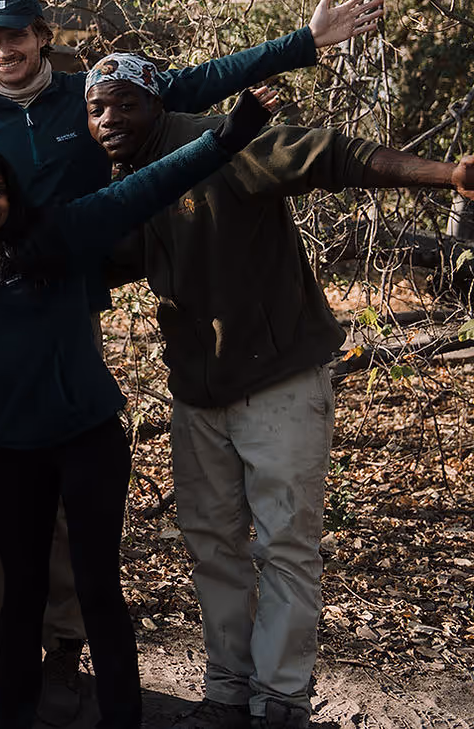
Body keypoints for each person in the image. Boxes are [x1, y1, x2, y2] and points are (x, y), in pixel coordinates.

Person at [0, 0, 385, 709]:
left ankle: (69, 648)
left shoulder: (93, 94)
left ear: (41, 35)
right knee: (5, 510)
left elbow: (191, 90)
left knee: (78, 520)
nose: (3, 50)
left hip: (73, 314)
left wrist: (302, 44)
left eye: (16, 34)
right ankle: (7, 654)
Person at [85, 54, 474, 729]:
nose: (110, 119)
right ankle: (228, 693)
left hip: (279, 382)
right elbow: (90, 261)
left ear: (156, 104)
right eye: (97, 108)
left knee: (285, 545)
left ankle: (282, 701)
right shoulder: (126, 181)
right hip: (196, 392)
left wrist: (449, 175)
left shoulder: (223, 141)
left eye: (124, 103)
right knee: (212, 545)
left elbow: (329, 155)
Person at [0, 89, 273, 729]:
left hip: (87, 439)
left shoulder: (54, 236)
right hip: (12, 453)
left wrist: (226, 136)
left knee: (96, 586)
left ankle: (122, 717)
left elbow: (142, 188)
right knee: (20, 594)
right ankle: (11, 714)